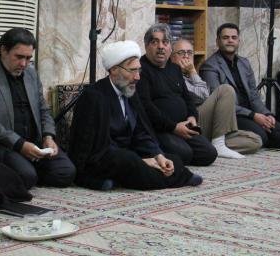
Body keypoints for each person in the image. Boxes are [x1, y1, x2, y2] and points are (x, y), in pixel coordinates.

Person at [69, 40, 202, 191]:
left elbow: (141, 132)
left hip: (127, 153)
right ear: (114, 69)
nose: (137, 77)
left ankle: (123, 178)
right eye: (132, 70)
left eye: (139, 70)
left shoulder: (130, 91)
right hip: (101, 157)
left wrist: (157, 155)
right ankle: (177, 178)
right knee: (130, 161)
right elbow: (93, 146)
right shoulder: (94, 96)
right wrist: (142, 160)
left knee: (173, 158)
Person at [0, 28, 76, 189]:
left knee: (66, 172)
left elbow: (44, 110)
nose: (24, 64)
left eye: (28, 58)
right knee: (27, 176)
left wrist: (48, 136)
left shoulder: (31, 74)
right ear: (3, 50)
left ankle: (28, 171)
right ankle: (26, 173)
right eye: (19, 57)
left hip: (35, 143)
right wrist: (19, 144)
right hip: (6, 145)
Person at [200, 23, 280, 149]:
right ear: (217, 41)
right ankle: (222, 140)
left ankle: (253, 135)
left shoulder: (244, 63)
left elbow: (254, 95)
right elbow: (218, 102)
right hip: (231, 115)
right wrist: (253, 116)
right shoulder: (210, 66)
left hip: (251, 113)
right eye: (225, 37)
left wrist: (266, 114)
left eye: (234, 37)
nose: (230, 41)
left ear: (239, 41)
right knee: (262, 136)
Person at [137, 24, 217, 165]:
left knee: (209, 153)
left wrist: (192, 116)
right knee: (184, 154)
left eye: (165, 42)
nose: (161, 47)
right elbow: (146, 107)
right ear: (146, 46)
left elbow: (187, 98)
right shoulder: (141, 70)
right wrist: (174, 127)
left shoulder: (174, 69)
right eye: (155, 42)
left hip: (184, 126)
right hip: (160, 129)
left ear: (170, 48)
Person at [171, 38, 262, 157]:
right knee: (226, 90)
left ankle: (214, 143)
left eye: (189, 53)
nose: (186, 56)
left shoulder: (189, 75)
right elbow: (203, 95)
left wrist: (192, 73)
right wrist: (193, 71)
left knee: (255, 141)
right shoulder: (173, 74)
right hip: (192, 121)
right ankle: (218, 144)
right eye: (181, 53)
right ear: (171, 57)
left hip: (209, 124)